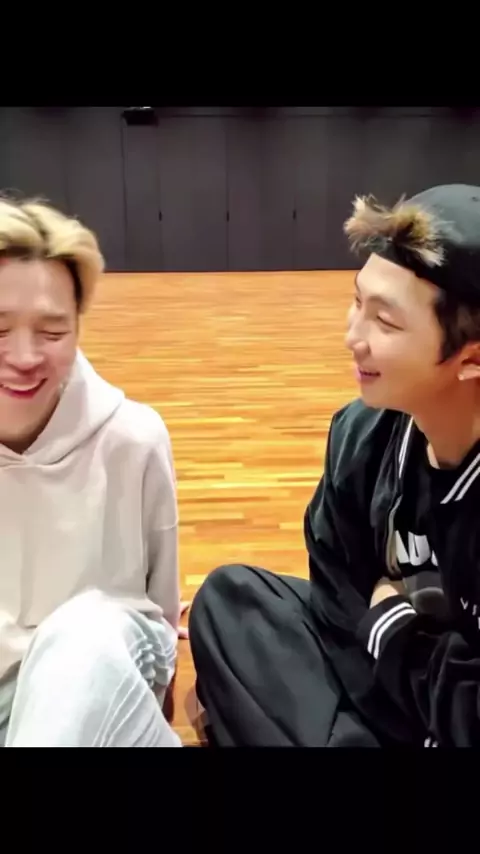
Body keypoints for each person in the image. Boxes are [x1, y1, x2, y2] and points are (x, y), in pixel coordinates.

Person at [189, 183, 480, 748]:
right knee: (232, 600)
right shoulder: (361, 435)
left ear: (471, 357)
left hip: (437, 703)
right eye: (357, 302)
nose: (352, 337)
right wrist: (398, 649)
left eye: (385, 322)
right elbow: (336, 599)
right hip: (399, 694)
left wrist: (396, 634)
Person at [0, 195, 185, 747]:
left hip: (104, 675)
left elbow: (158, 615)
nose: (25, 357)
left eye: (52, 331)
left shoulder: (133, 439)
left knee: (82, 636)